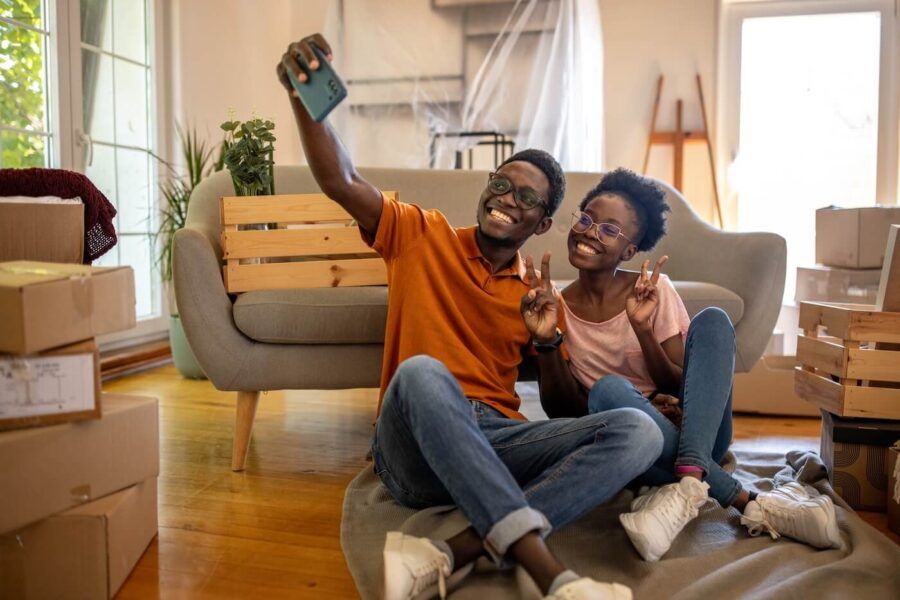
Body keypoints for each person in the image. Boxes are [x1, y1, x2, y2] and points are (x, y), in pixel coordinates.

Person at [278, 35, 663, 600]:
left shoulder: (535, 294)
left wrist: (549, 339)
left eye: (527, 198)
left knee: (639, 431)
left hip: (495, 443)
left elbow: (559, 408)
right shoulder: (419, 232)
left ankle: (453, 550)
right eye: (501, 184)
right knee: (420, 373)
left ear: (541, 224)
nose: (507, 197)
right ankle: (551, 575)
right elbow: (341, 179)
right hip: (412, 444)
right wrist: (301, 98)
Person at [520, 168, 842, 563]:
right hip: (634, 447)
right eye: (586, 219)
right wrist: (547, 339)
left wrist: (642, 330)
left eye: (609, 229)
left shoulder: (654, 291)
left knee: (713, 321)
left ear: (629, 251)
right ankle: (738, 496)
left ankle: (690, 476)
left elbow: (682, 382)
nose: (589, 232)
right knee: (608, 391)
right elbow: (562, 411)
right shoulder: (554, 303)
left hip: (696, 431)